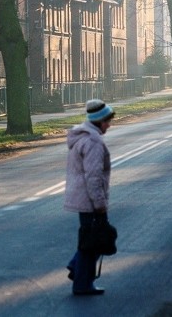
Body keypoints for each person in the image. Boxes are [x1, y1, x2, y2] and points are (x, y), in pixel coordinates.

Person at [64, 98, 115, 296]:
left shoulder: (82, 137)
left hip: (81, 197)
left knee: (90, 238)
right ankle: (83, 284)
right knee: (93, 242)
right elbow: (93, 176)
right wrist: (100, 204)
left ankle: (77, 268)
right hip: (89, 199)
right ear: (99, 120)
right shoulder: (93, 141)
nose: (109, 125)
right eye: (107, 121)